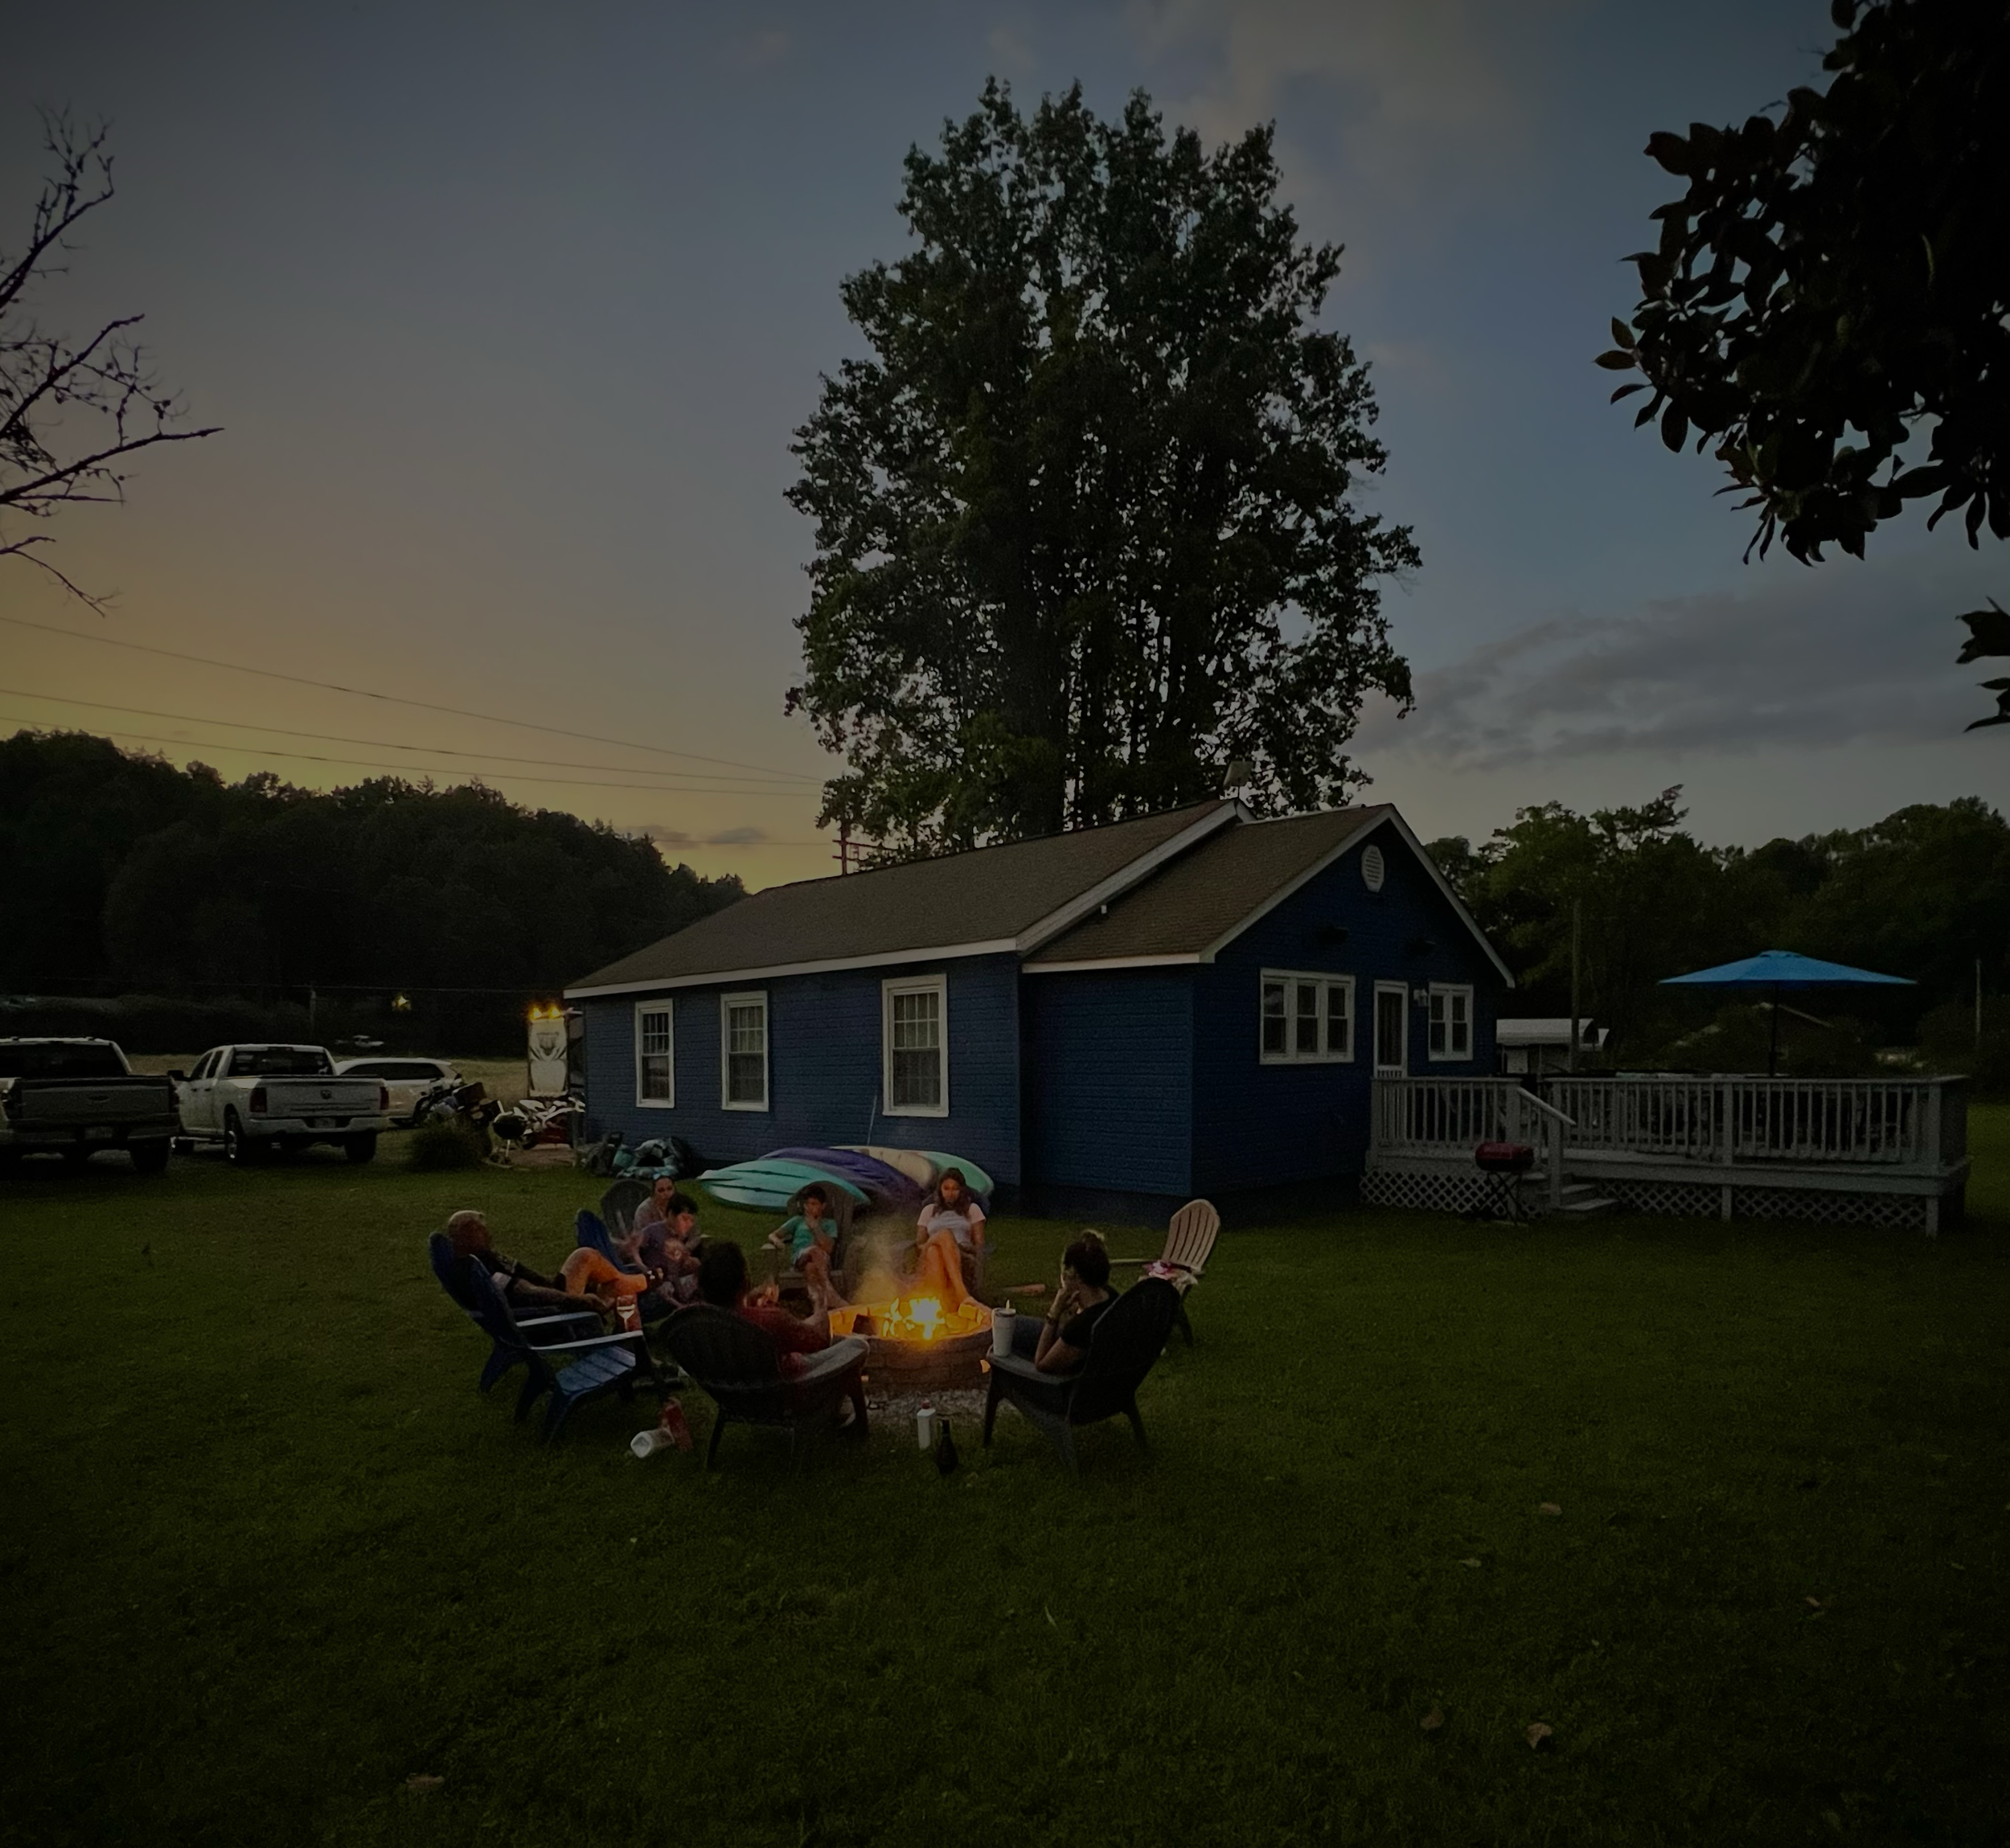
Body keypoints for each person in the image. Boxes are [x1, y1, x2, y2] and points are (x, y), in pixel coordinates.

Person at [696, 1240, 868, 1424]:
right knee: (856, 1346)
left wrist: (752, 1299)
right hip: (786, 1397)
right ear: (744, 1281)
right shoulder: (769, 1321)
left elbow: (731, 1309)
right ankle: (858, 1423)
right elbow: (819, 1341)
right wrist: (819, 1302)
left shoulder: (700, 1323)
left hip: (735, 1400)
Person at [445, 1209, 601, 1321]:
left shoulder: (485, 1257)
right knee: (609, 1286)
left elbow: (530, 1279)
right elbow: (527, 1291)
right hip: (547, 1315)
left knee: (587, 1261)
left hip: (550, 1295)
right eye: (479, 1230)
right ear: (462, 1237)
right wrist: (577, 1300)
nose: (487, 1234)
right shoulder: (480, 1269)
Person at [1019, 1231, 1114, 1375]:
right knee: (1016, 1323)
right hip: (1101, 1371)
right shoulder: (1111, 1297)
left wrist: (1055, 1312)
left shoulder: (1081, 1327)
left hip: (1065, 1388)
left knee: (1006, 1331)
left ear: (1074, 1276)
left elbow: (1041, 1364)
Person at [910, 1167, 985, 1313]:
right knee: (940, 1239)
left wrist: (953, 1247)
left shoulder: (972, 1210)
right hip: (927, 1256)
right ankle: (962, 1295)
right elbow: (919, 1244)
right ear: (940, 1190)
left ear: (962, 1190)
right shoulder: (928, 1210)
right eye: (946, 1188)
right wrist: (941, 1241)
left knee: (936, 1250)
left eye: (955, 1189)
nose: (950, 1193)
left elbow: (979, 1245)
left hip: (962, 1256)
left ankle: (942, 1304)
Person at [773, 1186, 847, 1314]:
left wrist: (815, 1227)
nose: (809, 1207)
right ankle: (832, 1296)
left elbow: (828, 1249)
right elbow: (774, 1234)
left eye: (814, 1204)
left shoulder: (829, 1224)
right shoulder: (797, 1221)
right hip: (799, 1260)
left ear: (823, 1206)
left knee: (811, 1267)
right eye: (807, 1203)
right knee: (813, 1250)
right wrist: (777, 1241)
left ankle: (818, 1308)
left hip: (821, 1263)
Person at [629, 1184, 702, 1308]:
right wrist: (643, 1268)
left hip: (674, 1280)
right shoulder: (653, 1230)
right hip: (656, 1283)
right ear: (672, 1215)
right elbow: (633, 1249)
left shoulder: (679, 1235)